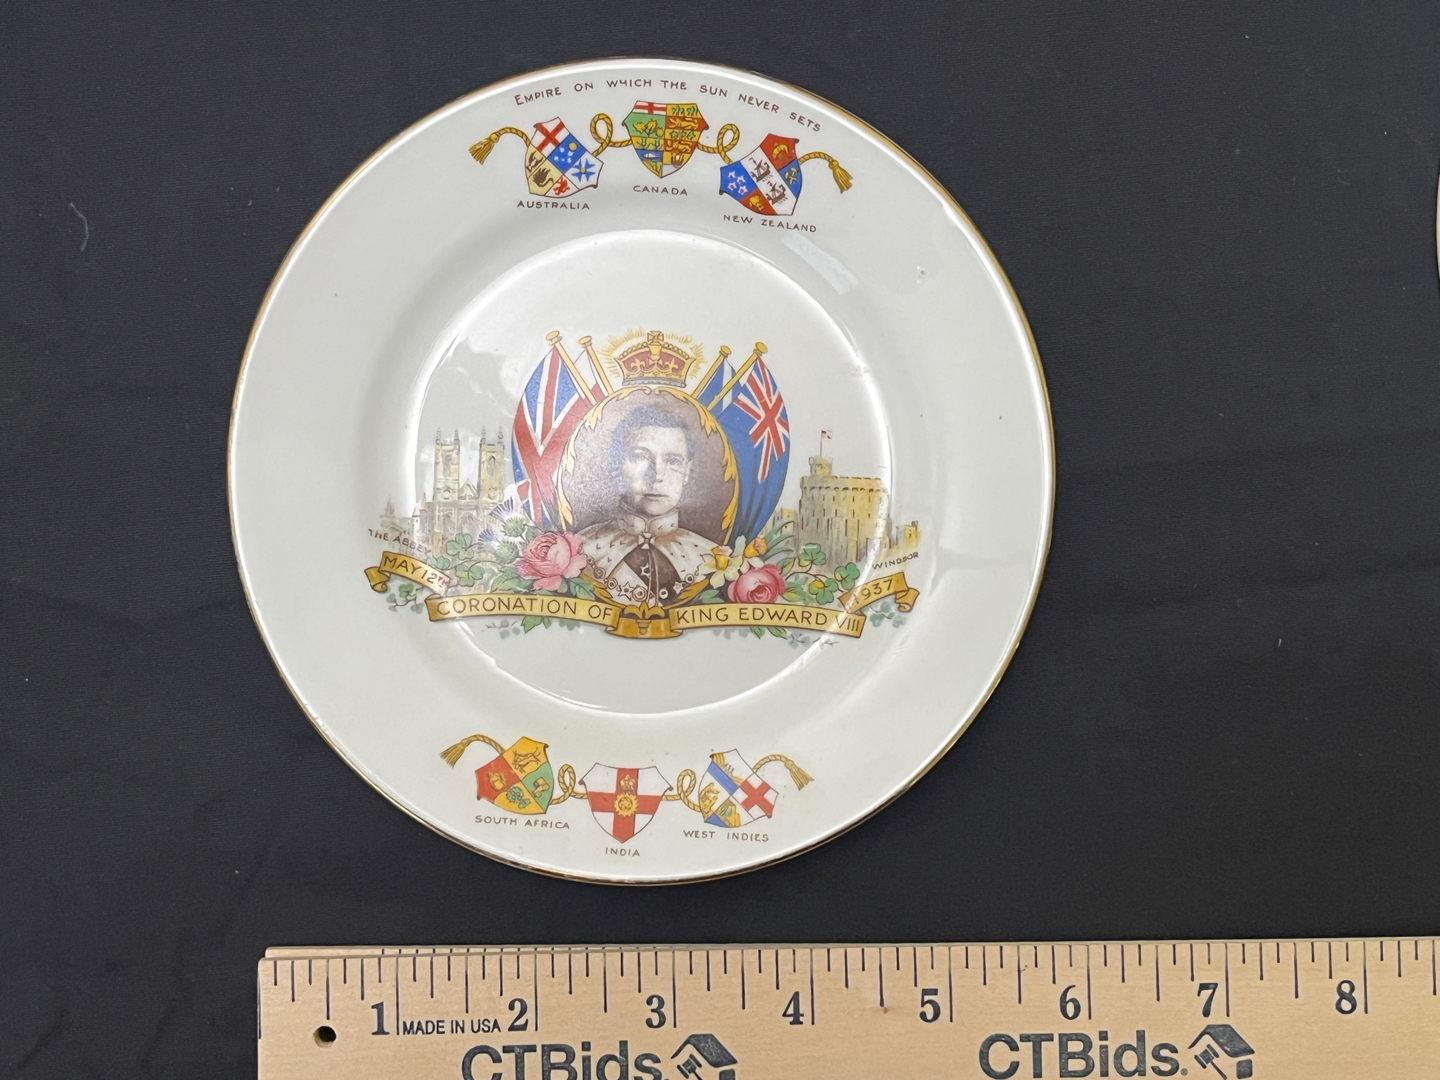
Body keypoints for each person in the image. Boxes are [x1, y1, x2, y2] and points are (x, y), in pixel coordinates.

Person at [577, 403, 717, 607]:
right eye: (640, 457)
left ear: (687, 471)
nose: (656, 475)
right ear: (617, 465)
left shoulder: (713, 557)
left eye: (673, 461)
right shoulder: (579, 552)